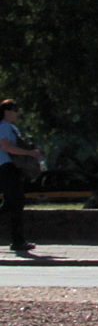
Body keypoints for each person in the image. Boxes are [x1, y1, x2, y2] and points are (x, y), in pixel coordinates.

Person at [0, 97, 40, 257]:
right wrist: (29, 153)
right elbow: (6, 147)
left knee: (12, 203)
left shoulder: (10, 127)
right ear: (6, 111)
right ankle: (18, 241)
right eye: (14, 110)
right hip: (6, 167)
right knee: (16, 202)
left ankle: (18, 240)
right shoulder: (4, 126)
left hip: (10, 168)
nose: (17, 113)